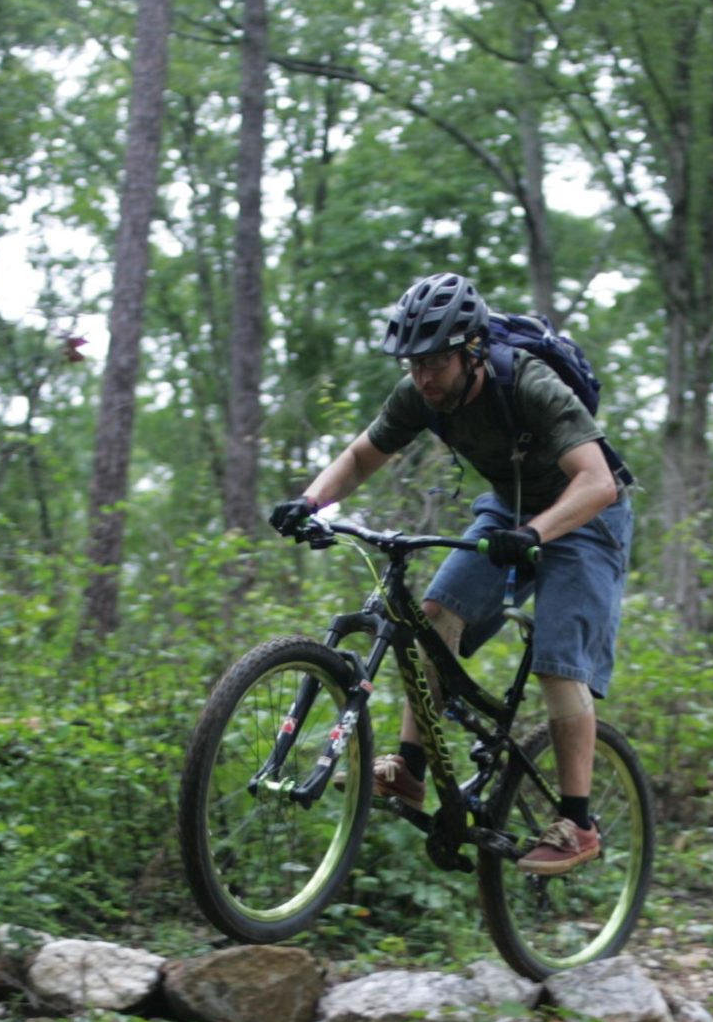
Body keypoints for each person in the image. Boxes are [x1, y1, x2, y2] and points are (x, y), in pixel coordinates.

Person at [267, 272, 634, 877]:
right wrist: (310, 503)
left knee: (557, 662)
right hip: (510, 508)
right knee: (435, 618)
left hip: (587, 514)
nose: (423, 377)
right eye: (414, 363)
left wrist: (536, 533)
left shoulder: (530, 384)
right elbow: (363, 453)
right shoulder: (420, 394)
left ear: (471, 351)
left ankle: (577, 822)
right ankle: (409, 769)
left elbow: (596, 482)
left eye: (436, 361)